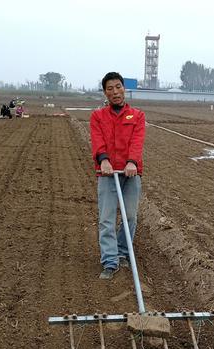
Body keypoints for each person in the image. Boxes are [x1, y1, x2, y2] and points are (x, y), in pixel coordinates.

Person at [90, 72, 146, 280]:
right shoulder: (98, 116)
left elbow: (137, 141)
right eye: (110, 88)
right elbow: (97, 140)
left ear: (124, 88)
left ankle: (123, 252)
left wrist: (132, 162)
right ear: (105, 93)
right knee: (106, 218)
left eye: (118, 87)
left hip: (131, 172)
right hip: (107, 172)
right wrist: (103, 160)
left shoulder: (137, 116)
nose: (115, 92)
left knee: (130, 216)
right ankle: (110, 261)